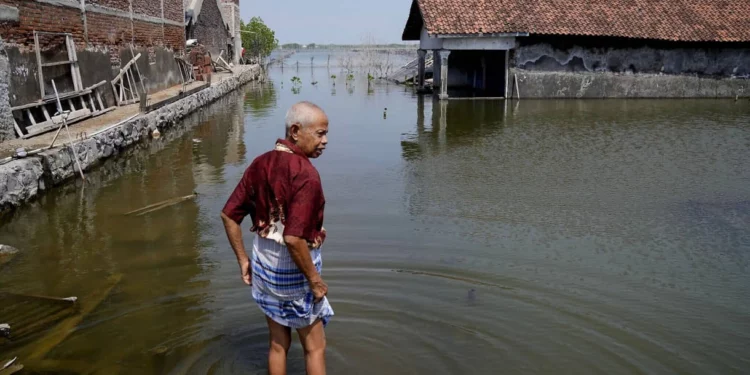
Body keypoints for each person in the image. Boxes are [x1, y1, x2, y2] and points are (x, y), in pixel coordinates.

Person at [221, 101, 333, 375]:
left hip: (265, 270)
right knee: (315, 347)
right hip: (294, 275)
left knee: (277, 344)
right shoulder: (305, 174)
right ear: (295, 131)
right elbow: (294, 238)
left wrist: (243, 261)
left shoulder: (261, 164)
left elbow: (228, 216)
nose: (325, 141)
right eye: (320, 134)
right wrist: (315, 282)